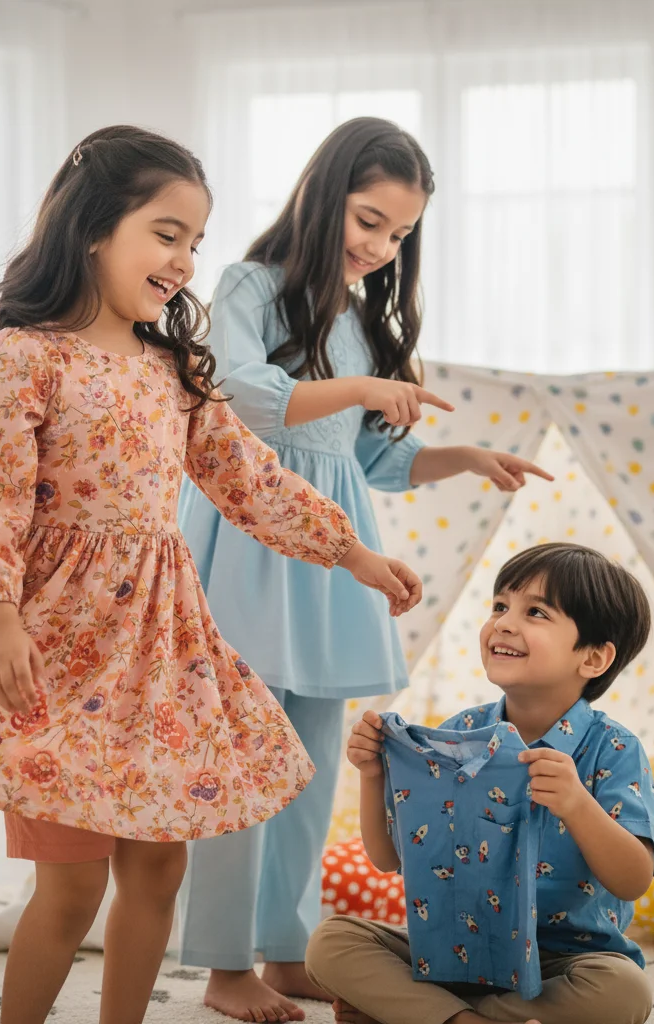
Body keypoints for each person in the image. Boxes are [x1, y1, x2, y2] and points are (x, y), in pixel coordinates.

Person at [0, 125, 423, 1024]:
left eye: (195, 242)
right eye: (167, 234)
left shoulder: (174, 370)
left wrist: (353, 553)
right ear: (93, 228)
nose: (186, 260)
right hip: (56, 649)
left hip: (160, 651)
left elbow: (249, 478)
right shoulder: (28, 354)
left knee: (159, 865)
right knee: (72, 886)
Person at [178, 117, 550, 1023]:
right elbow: (240, 401)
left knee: (307, 769)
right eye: (370, 221)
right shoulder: (250, 286)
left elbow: (373, 459)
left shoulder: (356, 319)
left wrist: (461, 455)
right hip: (251, 543)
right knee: (238, 766)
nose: (381, 248)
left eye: (399, 235)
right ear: (324, 192)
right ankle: (224, 963)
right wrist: (361, 390)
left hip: (335, 558)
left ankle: (284, 946)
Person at [308, 542, 654, 1024]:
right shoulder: (459, 733)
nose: (504, 622)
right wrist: (373, 776)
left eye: (535, 612)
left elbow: (633, 879)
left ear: (594, 659)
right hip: (454, 954)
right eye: (499, 605)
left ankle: (424, 1015)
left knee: (624, 992)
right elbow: (388, 857)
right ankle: (464, 1017)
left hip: (564, 962)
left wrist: (577, 804)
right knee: (332, 942)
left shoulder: (614, 749)